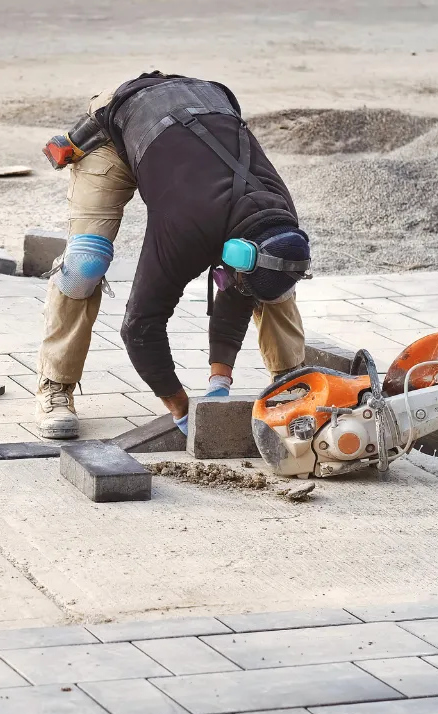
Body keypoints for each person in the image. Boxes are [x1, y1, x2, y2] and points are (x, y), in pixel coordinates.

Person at [34, 72, 311, 439]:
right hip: (113, 128)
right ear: (234, 256)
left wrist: (219, 383)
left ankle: (291, 385)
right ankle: (54, 385)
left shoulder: (280, 216)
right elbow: (140, 327)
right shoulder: (185, 226)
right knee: (85, 263)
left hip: (196, 121)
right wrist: (183, 411)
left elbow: (241, 288)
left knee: (274, 277)